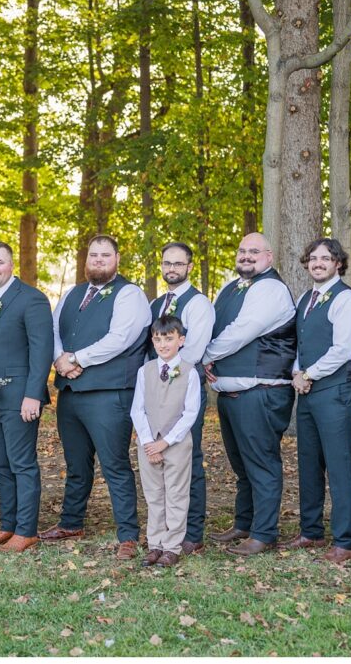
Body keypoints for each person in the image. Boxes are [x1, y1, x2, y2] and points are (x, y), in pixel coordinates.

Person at [41, 235, 150, 560]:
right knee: (76, 464)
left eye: (105, 255)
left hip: (110, 394)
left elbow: (119, 338)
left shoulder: (130, 294)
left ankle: (128, 535)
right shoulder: (74, 293)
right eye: (93, 255)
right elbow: (53, 330)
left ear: (117, 258)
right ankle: (72, 522)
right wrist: (60, 358)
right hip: (71, 394)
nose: (98, 260)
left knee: (115, 464)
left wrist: (76, 359)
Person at [202, 233, 296, 556]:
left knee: (262, 465)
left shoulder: (270, 289)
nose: (246, 256)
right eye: (242, 251)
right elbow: (213, 326)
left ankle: (264, 533)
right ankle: (244, 523)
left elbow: (241, 332)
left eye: (254, 251)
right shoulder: (232, 287)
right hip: (232, 396)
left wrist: (205, 356)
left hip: (261, 393)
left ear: (269, 257)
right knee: (242, 467)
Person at [281, 238, 351, 564]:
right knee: (309, 462)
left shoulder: (347, 300)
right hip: (308, 392)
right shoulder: (306, 298)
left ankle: (344, 541)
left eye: (325, 258)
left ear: (338, 263)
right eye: (313, 258)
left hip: (335, 392)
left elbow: (343, 349)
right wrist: (296, 373)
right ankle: (311, 532)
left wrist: (309, 374)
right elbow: (300, 345)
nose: (318, 263)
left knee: (338, 464)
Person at [0, 242, 53, 554]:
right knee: (1, 465)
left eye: (0, 262)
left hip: (20, 398)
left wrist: (33, 395)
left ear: (11, 265)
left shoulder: (32, 299)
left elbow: (41, 349)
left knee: (23, 464)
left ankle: (26, 530)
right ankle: (7, 524)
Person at [147, 242, 215, 555]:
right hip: (156, 391)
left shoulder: (198, 303)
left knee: (188, 457)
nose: (171, 269)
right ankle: (163, 530)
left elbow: (194, 350)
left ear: (189, 266)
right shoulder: (157, 303)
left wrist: (168, 379)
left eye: (178, 263)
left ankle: (192, 533)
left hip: (184, 387)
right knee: (160, 458)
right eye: (166, 263)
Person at [132, 315, 201, 568]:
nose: (163, 345)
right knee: (154, 495)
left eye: (169, 339)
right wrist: (149, 442)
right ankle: (155, 544)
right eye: (158, 339)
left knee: (176, 494)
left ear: (180, 341)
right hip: (148, 443)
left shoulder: (190, 372)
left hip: (177, 444)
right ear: (153, 341)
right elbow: (137, 409)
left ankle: (172, 546)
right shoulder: (145, 371)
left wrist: (167, 442)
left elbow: (190, 413)